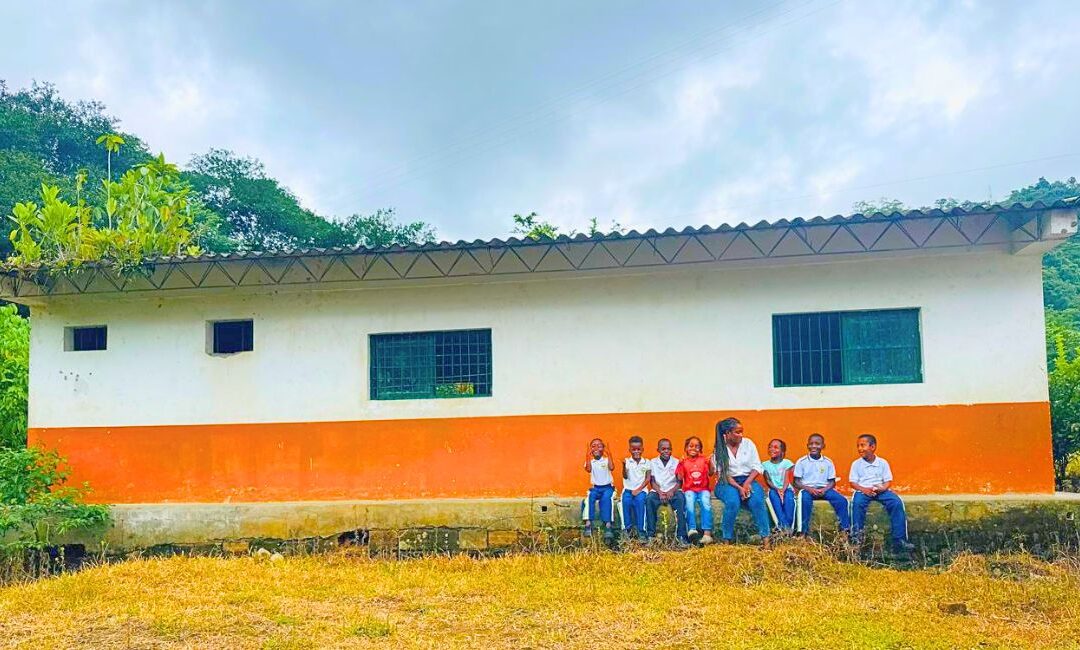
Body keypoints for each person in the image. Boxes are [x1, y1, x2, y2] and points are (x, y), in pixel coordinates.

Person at [849, 434, 915, 553]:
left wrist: (882, 489)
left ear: (873, 447)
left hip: (880, 490)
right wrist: (864, 490)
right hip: (863, 490)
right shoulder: (856, 464)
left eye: (863, 445)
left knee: (896, 502)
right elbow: (853, 482)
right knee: (857, 504)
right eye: (858, 446)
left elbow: (888, 481)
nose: (859, 449)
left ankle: (899, 540)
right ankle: (857, 540)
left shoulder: (882, 463)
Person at [712, 418, 772, 547]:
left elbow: (757, 466)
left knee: (757, 501)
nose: (741, 435)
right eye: (737, 432)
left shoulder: (748, 444)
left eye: (741, 432)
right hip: (726, 483)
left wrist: (746, 484)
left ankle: (766, 541)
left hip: (748, 479)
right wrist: (739, 488)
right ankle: (726, 541)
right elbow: (723, 474)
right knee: (733, 501)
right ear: (727, 433)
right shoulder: (719, 449)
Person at [793, 433, 850, 537]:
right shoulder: (801, 462)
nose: (814, 446)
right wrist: (809, 489)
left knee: (842, 501)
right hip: (807, 489)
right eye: (811, 444)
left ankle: (844, 531)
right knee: (803, 500)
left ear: (823, 446)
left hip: (825, 489)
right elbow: (796, 482)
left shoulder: (828, 462)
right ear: (807, 446)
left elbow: (832, 482)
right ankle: (802, 533)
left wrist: (824, 489)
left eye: (817, 444)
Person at [645, 438, 689, 546]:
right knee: (649, 500)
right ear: (658, 450)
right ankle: (651, 536)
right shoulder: (653, 462)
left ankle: (681, 536)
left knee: (681, 499)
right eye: (663, 449)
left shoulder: (676, 462)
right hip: (657, 491)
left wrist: (672, 491)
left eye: (668, 449)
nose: (666, 451)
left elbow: (679, 482)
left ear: (671, 450)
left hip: (673, 490)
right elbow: (652, 481)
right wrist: (660, 492)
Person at [676, 436, 714, 544]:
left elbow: (711, 473)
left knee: (706, 503)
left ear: (700, 449)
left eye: (697, 446)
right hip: (689, 489)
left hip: (703, 489)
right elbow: (679, 478)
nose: (694, 448)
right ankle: (692, 530)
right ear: (686, 448)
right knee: (689, 503)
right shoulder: (684, 461)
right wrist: (680, 464)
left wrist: (710, 462)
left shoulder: (704, 460)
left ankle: (707, 533)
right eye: (691, 446)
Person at [582, 438, 615, 539]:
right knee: (588, 499)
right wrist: (588, 455)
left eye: (599, 446)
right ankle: (588, 524)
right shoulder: (590, 462)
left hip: (608, 488)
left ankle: (608, 525)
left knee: (606, 499)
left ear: (603, 449)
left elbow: (612, 467)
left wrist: (609, 454)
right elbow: (588, 469)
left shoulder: (606, 460)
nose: (596, 448)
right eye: (593, 446)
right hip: (595, 488)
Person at [761, 438, 795, 534]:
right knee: (775, 500)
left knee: (789, 501)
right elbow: (768, 480)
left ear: (782, 451)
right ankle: (784, 526)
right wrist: (777, 490)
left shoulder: (787, 463)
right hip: (773, 489)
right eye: (770, 447)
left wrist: (783, 490)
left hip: (787, 489)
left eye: (776, 447)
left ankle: (786, 527)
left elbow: (787, 478)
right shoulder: (764, 465)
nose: (772, 449)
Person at [621, 435, 651, 541]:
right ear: (630, 450)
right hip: (628, 490)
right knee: (624, 504)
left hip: (641, 490)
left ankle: (641, 531)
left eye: (639, 449)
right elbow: (625, 476)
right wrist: (623, 466)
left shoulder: (647, 462)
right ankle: (627, 530)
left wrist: (638, 490)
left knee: (640, 503)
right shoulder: (627, 462)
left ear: (642, 449)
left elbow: (647, 479)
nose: (636, 451)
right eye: (634, 449)